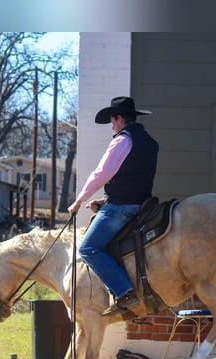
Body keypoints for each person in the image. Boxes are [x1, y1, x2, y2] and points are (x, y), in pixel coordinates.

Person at [68, 96, 160, 316]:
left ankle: (124, 292)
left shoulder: (123, 140)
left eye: (112, 121)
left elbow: (102, 173)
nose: (112, 126)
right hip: (141, 205)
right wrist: (104, 200)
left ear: (119, 119)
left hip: (121, 207)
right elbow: (134, 178)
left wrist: (78, 200)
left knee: (87, 248)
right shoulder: (149, 142)